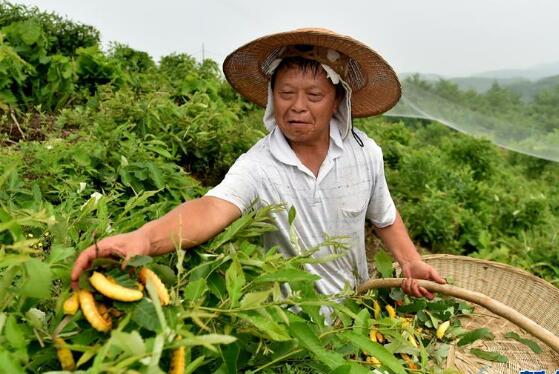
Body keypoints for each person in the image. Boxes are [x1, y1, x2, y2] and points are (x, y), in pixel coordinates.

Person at [71, 28, 445, 299]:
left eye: (314, 95)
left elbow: (384, 217)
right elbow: (209, 210)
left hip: (357, 308)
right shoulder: (259, 166)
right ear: (272, 99)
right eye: (286, 93)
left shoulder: (366, 154)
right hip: (292, 326)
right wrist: (144, 239)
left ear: (337, 102)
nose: (297, 106)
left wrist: (410, 261)